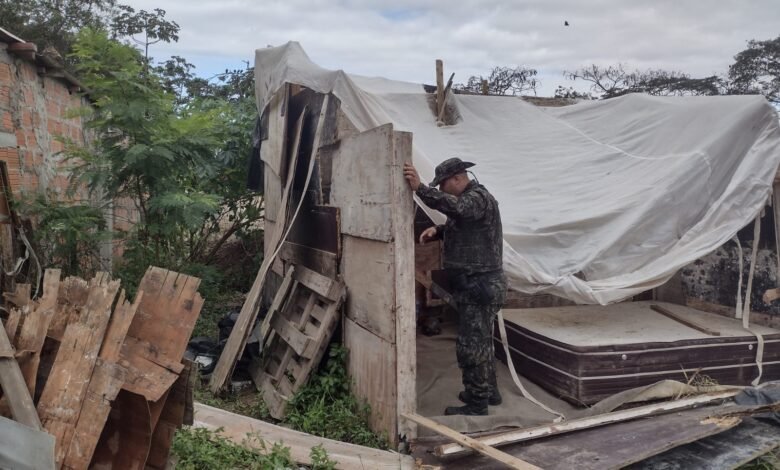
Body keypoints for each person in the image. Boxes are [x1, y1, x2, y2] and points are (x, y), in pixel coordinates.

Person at [403, 157, 507, 416]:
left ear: (458, 178)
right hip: (477, 285)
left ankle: (476, 404)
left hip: (480, 285)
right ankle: (487, 392)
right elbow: (465, 225)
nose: (440, 190)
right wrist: (439, 231)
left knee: (471, 346)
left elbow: (460, 209)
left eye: (442, 185)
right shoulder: (474, 200)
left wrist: (421, 189)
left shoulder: (478, 197)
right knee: (482, 342)